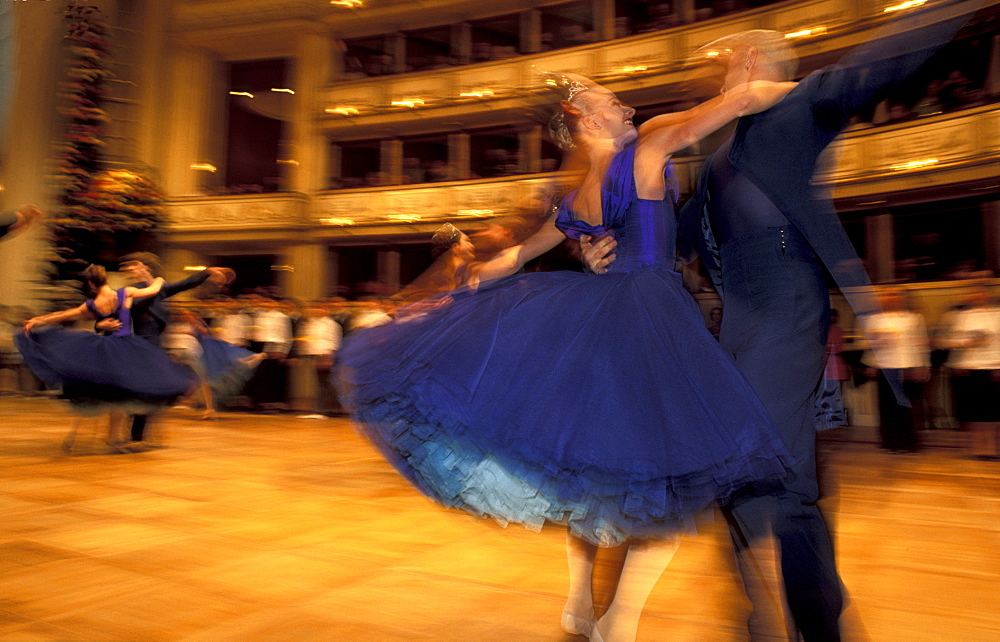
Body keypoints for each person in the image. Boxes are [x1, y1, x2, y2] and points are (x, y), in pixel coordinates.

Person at [339, 73, 796, 642]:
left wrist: (456, 291)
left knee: (597, 469)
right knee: (664, 477)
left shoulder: (577, 197)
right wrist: (817, 86)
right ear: (584, 115)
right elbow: (739, 101)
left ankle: (581, 603)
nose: (626, 105)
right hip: (651, 314)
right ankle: (618, 623)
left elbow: (513, 257)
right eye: (612, 100)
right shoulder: (648, 143)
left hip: (608, 315)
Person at [582, 8, 983, 639]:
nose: (719, 69)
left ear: (753, 61)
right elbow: (672, 235)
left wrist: (942, 8)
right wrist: (606, 247)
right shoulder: (718, 154)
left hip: (789, 303)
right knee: (748, 472)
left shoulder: (799, 109)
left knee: (768, 468)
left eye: (728, 59)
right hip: (736, 321)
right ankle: (781, 609)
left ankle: (811, 619)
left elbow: (878, 62)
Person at [15, 265, 197, 424]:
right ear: (105, 280)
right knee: (139, 381)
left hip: (105, 349)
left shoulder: (93, 305)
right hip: (128, 347)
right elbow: (153, 290)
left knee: (112, 391)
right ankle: (119, 433)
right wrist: (158, 279)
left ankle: (108, 430)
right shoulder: (125, 293)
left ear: (92, 285)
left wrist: (36, 320)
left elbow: (64, 315)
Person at [98, 253, 232, 445]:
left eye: (135, 265)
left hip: (154, 350)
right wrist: (104, 326)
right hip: (135, 349)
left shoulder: (161, 289)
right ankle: (123, 433)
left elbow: (186, 283)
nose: (129, 269)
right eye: (128, 267)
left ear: (146, 268)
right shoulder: (130, 290)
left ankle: (137, 435)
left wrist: (208, 272)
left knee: (152, 392)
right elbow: (113, 314)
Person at [862, 288, 930, 453]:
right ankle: (890, 441)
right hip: (885, 368)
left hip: (907, 366)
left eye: (896, 295)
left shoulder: (913, 318)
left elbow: (921, 343)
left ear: (903, 298)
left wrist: (923, 366)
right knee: (886, 407)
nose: (892, 298)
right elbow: (869, 345)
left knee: (906, 407)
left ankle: (908, 442)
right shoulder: (874, 319)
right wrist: (871, 363)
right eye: (888, 294)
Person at [939, 282, 1000, 460]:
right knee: (975, 411)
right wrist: (966, 342)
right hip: (969, 367)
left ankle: (992, 447)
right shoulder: (960, 316)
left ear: (988, 294)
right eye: (973, 293)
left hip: (993, 367)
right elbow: (947, 341)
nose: (976, 296)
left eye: (980, 293)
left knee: (994, 412)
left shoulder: (997, 314)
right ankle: (979, 447)